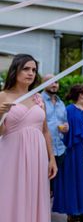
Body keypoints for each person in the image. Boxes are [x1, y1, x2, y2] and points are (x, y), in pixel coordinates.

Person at [0, 54, 57, 222]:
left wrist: (51, 159)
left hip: (37, 157)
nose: (30, 73)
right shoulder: (3, 96)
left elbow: (45, 131)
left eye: (33, 70)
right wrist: (1, 113)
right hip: (12, 155)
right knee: (10, 193)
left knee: (34, 194)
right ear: (15, 70)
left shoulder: (39, 98)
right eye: (26, 69)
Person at [58, 84, 83, 221]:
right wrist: (63, 130)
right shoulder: (69, 110)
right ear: (81, 94)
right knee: (76, 180)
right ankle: (73, 213)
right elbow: (62, 130)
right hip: (75, 151)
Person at [43, 73, 69, 214]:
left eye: (56, 82)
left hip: (60, 150)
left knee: (54, 187)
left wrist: (66, 128)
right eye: (50, 81)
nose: (54, 84)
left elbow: (64, 123)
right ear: (42, 83)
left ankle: (47, 213)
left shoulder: (61, 103)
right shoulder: (38, 100)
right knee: (42, 185)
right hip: (44, 149)